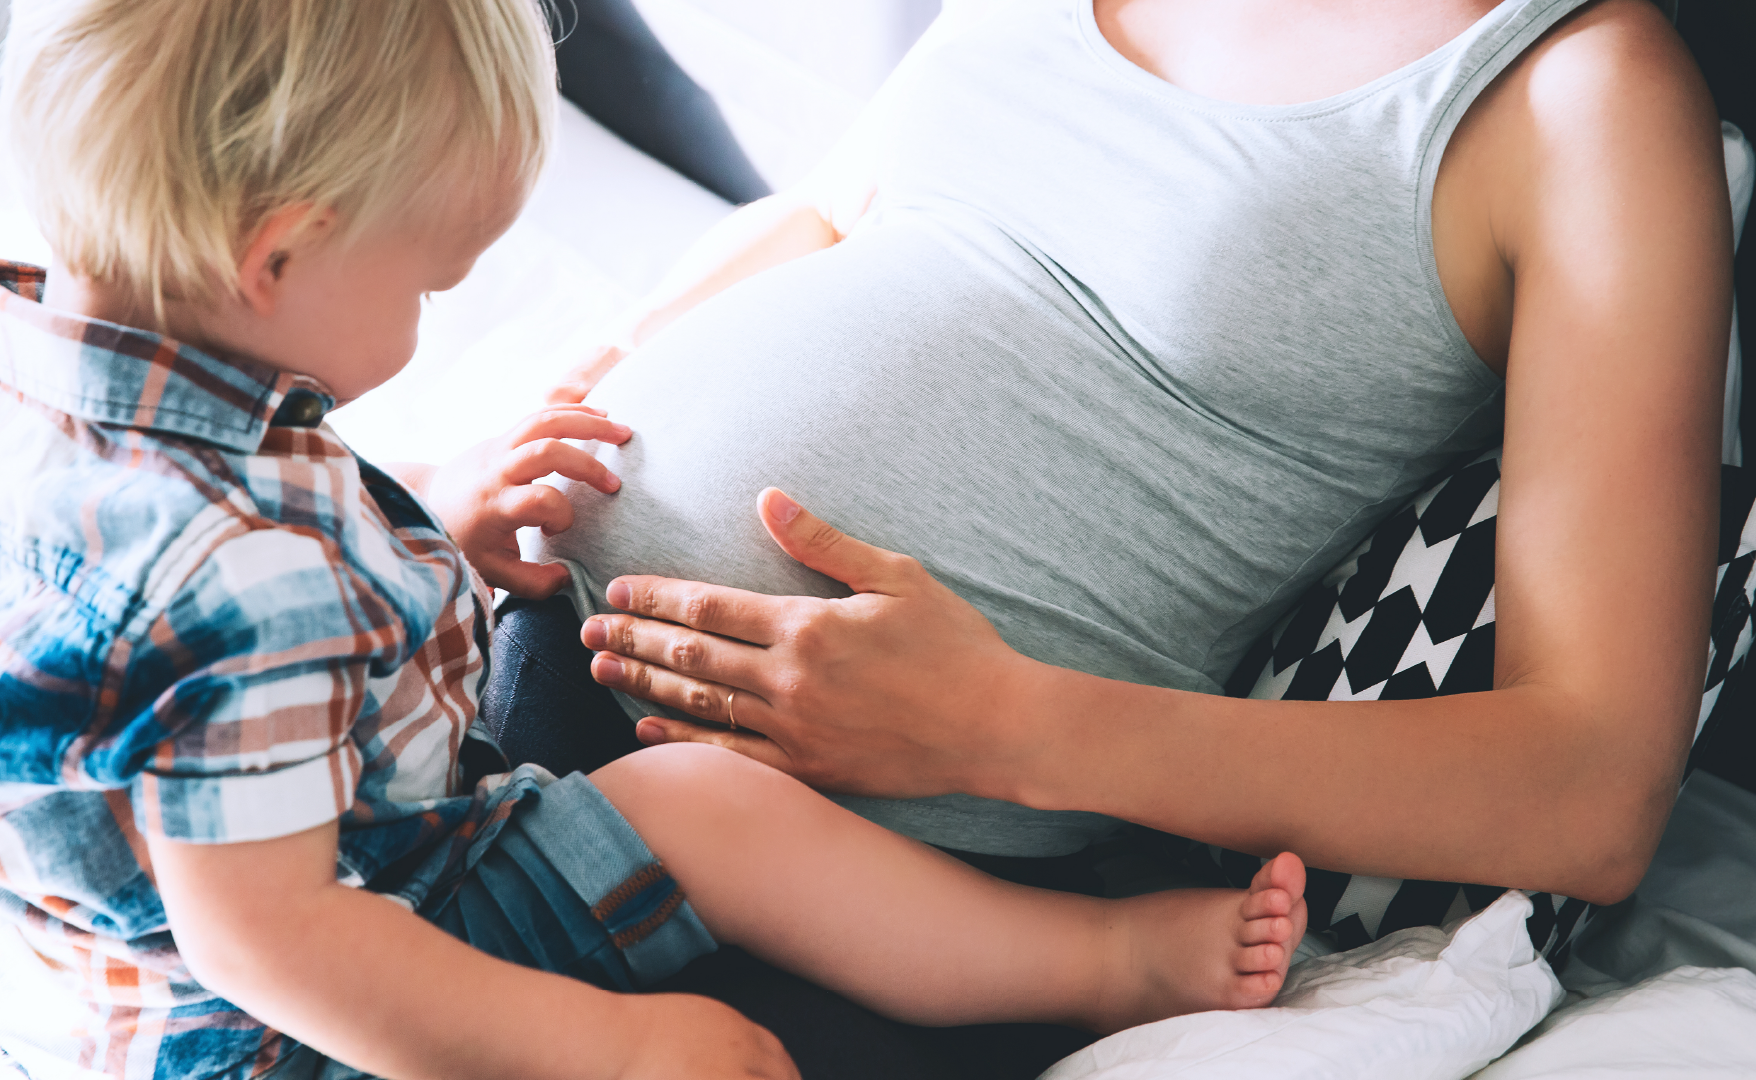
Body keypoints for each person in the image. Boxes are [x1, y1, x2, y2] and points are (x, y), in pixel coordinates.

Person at [0, 3, 1317, 1079]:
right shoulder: (226, 569)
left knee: (696, 806)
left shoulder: (104, 380)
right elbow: (277, 945)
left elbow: (199, 646)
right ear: (277, 257)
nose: (422, 321)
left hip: (310, 881)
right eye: (424, 286)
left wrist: (426, 528)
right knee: (706, 811)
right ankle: (1105, 966)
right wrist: (608, 1047)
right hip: (304, 1017)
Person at [498, 0, 1732, 1071]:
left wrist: (1005, 726)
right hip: (513, 645)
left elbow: (1593, 786)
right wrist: (563, 415)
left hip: (873, 903)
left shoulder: (1585, 97)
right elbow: (834, 214)